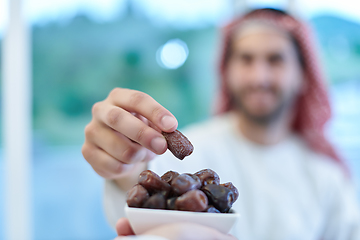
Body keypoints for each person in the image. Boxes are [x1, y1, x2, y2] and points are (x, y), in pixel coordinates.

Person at [82, 8, 360, 239]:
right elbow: (136, 205)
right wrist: (125, 164)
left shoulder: (327, 175)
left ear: (302, 75)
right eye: (246, 59)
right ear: (226, 72)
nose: (259, 77)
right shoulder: (192, 155)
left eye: (275, 60)